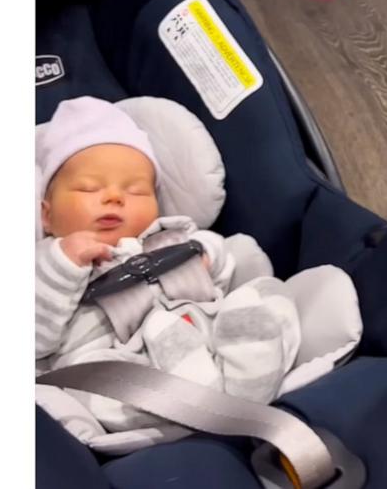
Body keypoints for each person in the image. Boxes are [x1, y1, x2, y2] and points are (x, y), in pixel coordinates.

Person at [33, 97, 302, 450]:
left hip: (208, 334)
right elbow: (35, 341)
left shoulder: (172, 235)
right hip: (119, 367)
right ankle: (223, 398)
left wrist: (205, 255)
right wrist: (63, 265)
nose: (114, 196)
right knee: (98, 385)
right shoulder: (42, 263)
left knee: (263, 295)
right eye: (89, 188)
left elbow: (220, 272)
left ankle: (245, 385)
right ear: (46, 216)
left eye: (136, 190)